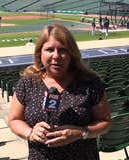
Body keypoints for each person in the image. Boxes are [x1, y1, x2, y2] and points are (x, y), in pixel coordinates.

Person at [8, 24, 111, 160]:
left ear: (72, 54)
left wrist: (80, 133)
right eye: (49, 49)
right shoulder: (27, 83)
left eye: (62, 50)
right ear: (40, 53)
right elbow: (14, 120)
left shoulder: (90, 83)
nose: (56, 56)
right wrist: (30, 132)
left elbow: (105, 121)